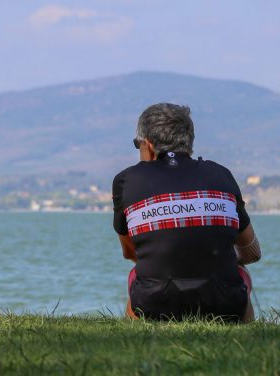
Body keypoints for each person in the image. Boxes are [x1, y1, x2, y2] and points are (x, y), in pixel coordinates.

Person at [112, 103, 261, 322]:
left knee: (137, 276)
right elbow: (252, 253)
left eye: (138, 145)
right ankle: (245, 339)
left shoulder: (127, 181)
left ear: (149, 145)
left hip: (154, 306)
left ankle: (136, 337)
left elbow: (131, 253)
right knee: (240, 275)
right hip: (224, 305)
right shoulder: (222, 176)